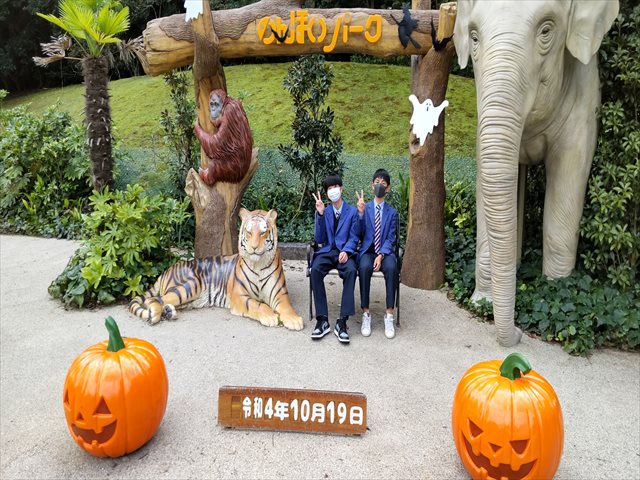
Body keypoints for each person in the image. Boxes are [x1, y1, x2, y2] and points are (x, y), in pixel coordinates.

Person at [310, 174, 361, 344]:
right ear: (326, 193)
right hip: (328, 251)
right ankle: (322, 320)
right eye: (329, 189)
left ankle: (342, 322)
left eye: (335, 187)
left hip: (344, 253)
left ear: (341, 189)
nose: (333, 191)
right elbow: (319, 238)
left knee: (351, 270)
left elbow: (354, 237)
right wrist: (320, 215)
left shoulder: (352, 212)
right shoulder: (325, 211)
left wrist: (347, 250)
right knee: (315, 269)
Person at [356, 168, 399, 339]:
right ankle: (366, 313)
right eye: (377, 182)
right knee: (364, 267)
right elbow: (358, 233)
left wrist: (381, 255)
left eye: (383, 183)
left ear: (388, 188)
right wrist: (360, 214)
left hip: (385, 253)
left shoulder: (392, 212)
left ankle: (389, 315)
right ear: (372, 185)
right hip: (368, 250)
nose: (379, 186)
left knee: (392, 268)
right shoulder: (364, 208)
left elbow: (391, 237)